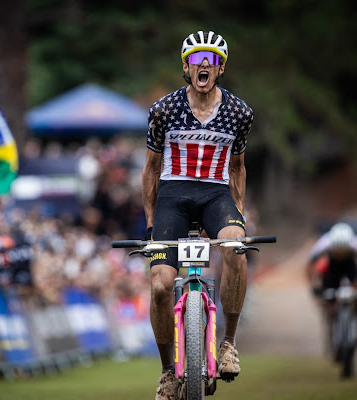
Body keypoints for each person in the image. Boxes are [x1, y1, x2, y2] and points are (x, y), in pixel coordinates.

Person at [141, 30, 253, 398]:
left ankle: (228, 345)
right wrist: (150, 224)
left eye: (211, 60)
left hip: (215, 195)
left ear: (220, 68)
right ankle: (167, 374)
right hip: (173, 195)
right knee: (159, 284)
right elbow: (151, 168)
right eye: (195, 59)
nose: (203, 65)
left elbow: (237, 167)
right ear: (186, 68)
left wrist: (239, 213)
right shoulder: (163, 110)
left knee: (236, 248)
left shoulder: (239, 113)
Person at [306, 222, 357, 354]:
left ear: (349, 245)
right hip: (332, 268)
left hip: (350, 266)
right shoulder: (323, 244)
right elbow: (308, 267)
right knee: (329, 299)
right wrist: (313, 286)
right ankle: (331, 331)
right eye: (338, 251)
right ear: (332, 245)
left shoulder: (356, 245)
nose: (340, 254)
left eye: (343, 251)